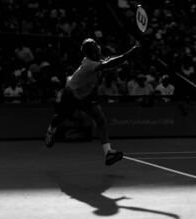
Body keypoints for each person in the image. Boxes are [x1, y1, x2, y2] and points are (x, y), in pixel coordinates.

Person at [45, 38, 138, 166]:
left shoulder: (93, 60)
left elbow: (108, 61)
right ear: (92, 51)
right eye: (96, 47)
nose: (98, 48)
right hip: (70, 95)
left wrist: (125, 55)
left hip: (86, 96)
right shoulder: (90, 64)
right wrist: (131, 52)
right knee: (59, 118)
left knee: (100, 119)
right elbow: (110, 63)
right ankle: (51, 130)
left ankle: (108, 153)